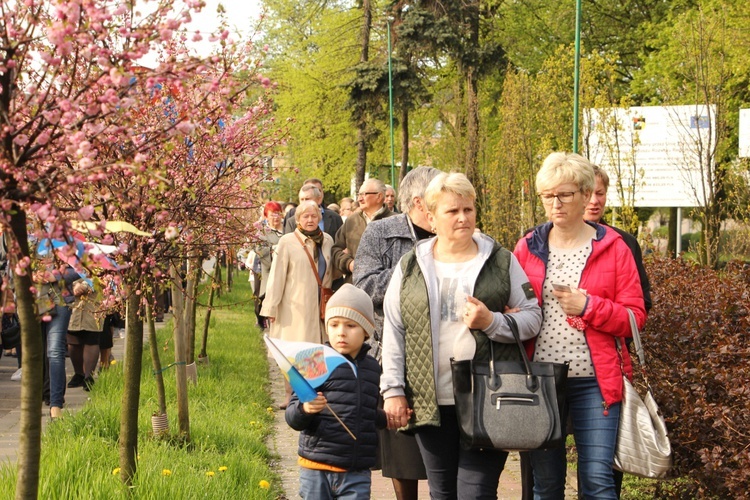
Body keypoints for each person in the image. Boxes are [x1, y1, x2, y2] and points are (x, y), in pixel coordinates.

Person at [381, 172, 543, 499]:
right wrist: (393, 390)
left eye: (468, 209)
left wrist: (491, 321)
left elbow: (533, 317)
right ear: (431, 217)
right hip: (430, 400)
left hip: (488, 398)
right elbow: (394, 329)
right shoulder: (411, 265)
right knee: (442, 493)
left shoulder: (500, 261)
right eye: (452, 211)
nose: (462, 218)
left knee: (476, 493)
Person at [513, 152, 647, 499]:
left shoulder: (615, 248)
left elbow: (635, 317)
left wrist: (589, 306)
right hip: (539, 379)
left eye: (565, 195)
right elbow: (514, 308)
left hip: (595, 381)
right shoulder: (527, 247)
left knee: (598, 480)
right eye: (548, 196)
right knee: (545, 486)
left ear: (587, 194)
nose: (555, 204)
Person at [352, 166, 440, 499]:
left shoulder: (456, 231)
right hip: (396, 353)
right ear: (419, 202)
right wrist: (415, 274)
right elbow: (363, 286)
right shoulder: (381, 233)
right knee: (403, 452)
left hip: (447, 356)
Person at [285, 284, 386, 500]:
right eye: (334, 324)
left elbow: (364, 411)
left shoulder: (372, 368)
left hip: (356, 469)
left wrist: (388, 419)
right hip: (316, 467)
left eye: (351, 325)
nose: (341, 332)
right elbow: (292, 417)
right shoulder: (314, 360)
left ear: (366, 330)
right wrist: (306, 409)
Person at [261, 200, 334, 409]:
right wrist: (270, 308)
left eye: (313, 216)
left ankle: (312, 394)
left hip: (319, 306)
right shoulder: (287, 242)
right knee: (292, 353)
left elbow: (330, 271)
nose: (310, 220)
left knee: (314, 352)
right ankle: (290, 395)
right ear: (298, 219)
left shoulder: (327, 240)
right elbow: (276, 277)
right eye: (305, 216)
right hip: (294, 307)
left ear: (319, 218)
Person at [34, 259, 78, 419]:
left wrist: (56, 275)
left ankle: (55, 405)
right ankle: (32, 405)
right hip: (32, 298)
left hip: (58, 299)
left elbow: (82, 267)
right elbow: (9, 266)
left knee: (55, 351)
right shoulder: (22, 236)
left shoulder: (66, 238)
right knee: (33, 353)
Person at [332, 178, 394, 285]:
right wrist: (349, 263)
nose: (359, 199)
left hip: (387, 288)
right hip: (355, 287)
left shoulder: (395, 221)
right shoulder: (352, 221)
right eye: (359, 194)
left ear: (379, 196)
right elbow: (336, 250)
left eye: (364, 194)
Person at [66, 278, 102, 391]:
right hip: (73, 300)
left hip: (93, 299)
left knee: (91, 337)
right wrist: (74, 284)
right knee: (73, 339)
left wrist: (86, 285)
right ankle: (79, 374)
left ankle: (88, 376)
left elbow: (102, 271)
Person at [254, 201, 284, 329]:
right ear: (266, 216)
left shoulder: (287, 229)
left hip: (285, 271)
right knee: (264, 297)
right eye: (272, 214)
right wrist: (275, 250)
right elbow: (261, 251)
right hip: (268, 270)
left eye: (278, 213)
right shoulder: (262, 233)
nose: (276, 217)